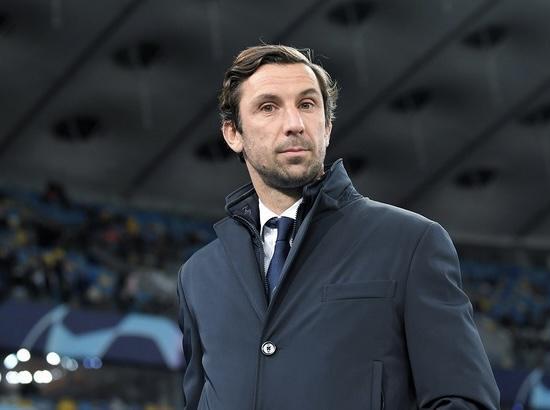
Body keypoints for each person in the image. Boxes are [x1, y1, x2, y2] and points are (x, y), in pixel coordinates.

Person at [177, 44, 500, 410]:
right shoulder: (198, 275)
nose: (294, 124)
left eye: (307, 104)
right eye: (268, 107)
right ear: (233, 133)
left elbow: (464, 400)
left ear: (327, 127)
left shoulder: (410, 243)